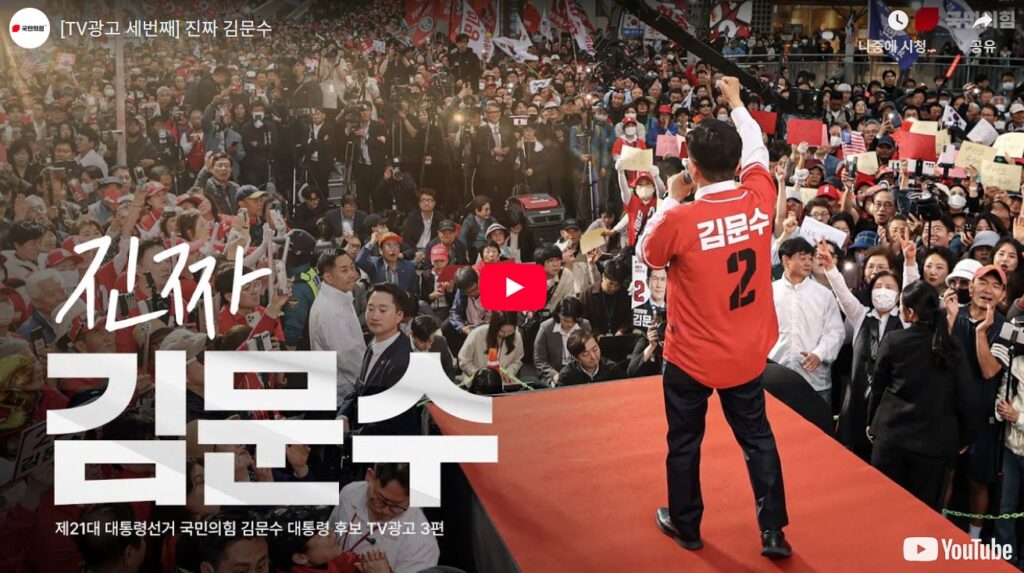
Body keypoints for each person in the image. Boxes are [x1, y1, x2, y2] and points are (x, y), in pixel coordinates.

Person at [637, 77, 792, 558]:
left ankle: (687, 526)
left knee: (685, 443)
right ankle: (773, 531)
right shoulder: (760, 196)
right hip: (747, 352)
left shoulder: (679, 218)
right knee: (758, 439)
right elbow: (757, 146)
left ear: (692, 167)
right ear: (737, 164)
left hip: (691, 356)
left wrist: (671, 196)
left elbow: (647, 254)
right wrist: (737, 102)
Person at [867, 281, 976, 509]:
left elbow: (877, 387)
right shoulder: (953, 346)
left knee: (883, 508)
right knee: (922, 515)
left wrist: (871, 422)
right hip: (935, 446)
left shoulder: (893, 340)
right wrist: (965, 437)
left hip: (891, 437)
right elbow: (966, 396)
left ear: (910, 312)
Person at [945, 264, 1013, 539]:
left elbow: (989, 370)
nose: (988, 290)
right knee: (945, 475)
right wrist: (950, 324)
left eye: (996, 286)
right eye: (983, 282)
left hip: (984, 419)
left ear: (1003, 294)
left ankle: (973, 539)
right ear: (970, 286)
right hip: (948, 414)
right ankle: (935, 528)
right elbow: (940, 362)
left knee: (977, 482)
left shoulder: (1006, 328)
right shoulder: (952, 314)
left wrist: (982, 332)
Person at [769, 238, 845, 405]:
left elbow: (835, 332)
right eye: (802, 258)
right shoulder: (770, 292)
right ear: (786, 260)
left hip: (814, 381)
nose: (808, 263)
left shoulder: (824, 295)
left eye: (810, 258)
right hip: (774, 377)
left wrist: (819, 354)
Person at [328, 463, 440, 572]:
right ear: (370, 476)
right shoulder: (349, 494)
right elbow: (330, 534)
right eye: (380, 500)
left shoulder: (423, 544)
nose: (385, 511)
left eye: (396, 506)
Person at [339, 283, 414, 437]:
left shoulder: (402, 361)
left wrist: (345, 438)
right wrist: (343, 415)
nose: (374, 316)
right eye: (371, 308)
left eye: (383, 310)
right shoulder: (375, 342)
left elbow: (387, 425)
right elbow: (359, 387)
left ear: (399, 315)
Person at [309, 249, 365, 401]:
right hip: (343, 394)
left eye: (352, 267)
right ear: (328, 277)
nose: (353, 274)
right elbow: (347, 357)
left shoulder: (342, 294)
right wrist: (368, 385)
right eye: (344, 270)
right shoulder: (330, 310)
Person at [534, 297, 591, 387]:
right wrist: (553, 374)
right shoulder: (546, 328)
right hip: (553, 373)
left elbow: (590, 352)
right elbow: (539, 359)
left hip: (579, 371)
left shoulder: (585, 325)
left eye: (573, 321)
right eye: (565, 320)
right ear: (558, 315)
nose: (570, 324)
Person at [458, 311, 524, 382]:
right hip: (477, 380)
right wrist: (478, 374)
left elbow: (517, 360)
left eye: (510, 331)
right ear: (494, 326)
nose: (506, 335)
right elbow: (464, 361)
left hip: (504, 381)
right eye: (501, 331)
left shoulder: (517, 336)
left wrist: (509, 372)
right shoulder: (477, 334)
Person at [355, 231, 419, 297]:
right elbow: (359, 261)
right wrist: (372, 242)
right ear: (381, 251)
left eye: (395, 245)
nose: (393, 248)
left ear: (399, 250)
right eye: (388, 245)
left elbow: (415, 293)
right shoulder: (375, 264)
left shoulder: (408, 267)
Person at [556, 330, 626, 386]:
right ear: (576, 358)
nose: (593, 357)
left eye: (595, 350)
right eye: (586, 354)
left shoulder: (612, 369)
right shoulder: (567, 375)